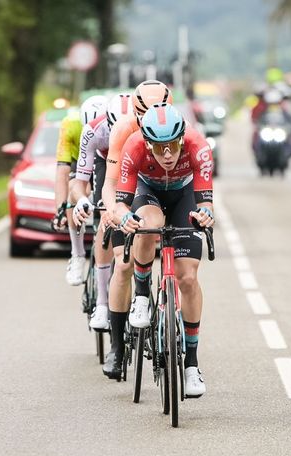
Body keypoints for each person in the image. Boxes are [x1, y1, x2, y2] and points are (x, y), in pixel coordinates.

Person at [115, 103, 214, 398]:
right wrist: (123, 217)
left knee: (188, 279)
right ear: (147, 142)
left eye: (172, 145)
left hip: (184, 195)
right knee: (148, 224)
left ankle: (191, 364)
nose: (167, 154)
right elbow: (121, 201)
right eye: (159, 148)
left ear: (182, 139)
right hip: (149, 193)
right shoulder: (132, 148)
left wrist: (205, 215)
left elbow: (206, 201)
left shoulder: (198, 146)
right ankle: (142, 295)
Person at [98, 80, 174, 380]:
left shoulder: (179, 125)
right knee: (124, 263)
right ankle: (116, 349)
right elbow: (112, 183)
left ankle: (170, 319)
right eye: (144, 116)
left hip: (168, 192)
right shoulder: (124, 130)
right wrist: (113, 211)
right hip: (132, 192)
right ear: (136, 113)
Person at [71, 94, 120, 331]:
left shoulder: (139, 128)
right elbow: (78, 180)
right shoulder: (93, 131)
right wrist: (81, 200)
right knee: (106, 221)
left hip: (131, 160)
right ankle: (102, 303)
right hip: (104, 160)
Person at [54, 96, 107, 286]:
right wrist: (60, 208)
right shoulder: (71, 124)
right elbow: (63, 168)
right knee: (73, 190)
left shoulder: (116, 123)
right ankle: (77, 254)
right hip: (82, 160)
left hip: (107, 158)